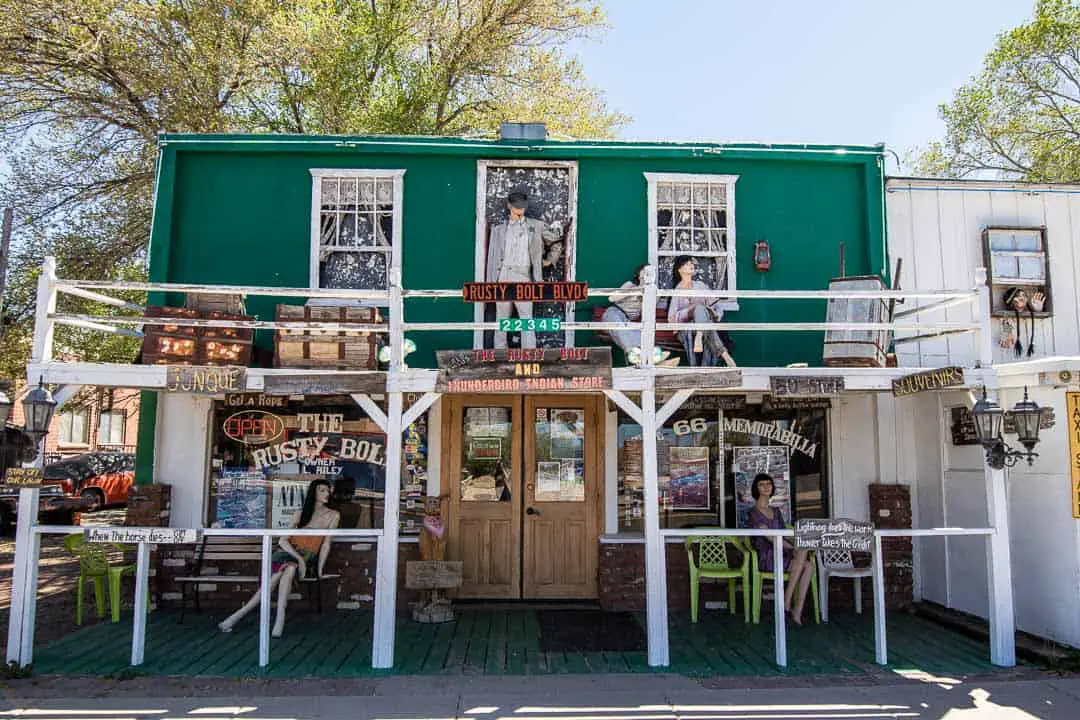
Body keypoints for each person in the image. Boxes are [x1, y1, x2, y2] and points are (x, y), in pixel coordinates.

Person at [218, 478, 340, 637]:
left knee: (285, 571)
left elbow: (326, 544)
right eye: (322, 490)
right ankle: (278, 621)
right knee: (288, 568)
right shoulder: (300, 513)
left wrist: (319, 570)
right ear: (313, 493)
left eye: (328, 491)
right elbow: (283, 541)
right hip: (287, 554)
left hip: (306, 556)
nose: (327, 494)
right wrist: (300, 560)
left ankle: (236, 617)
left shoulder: (333, 515)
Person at [486, 188, 560, 349]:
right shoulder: (498, 230)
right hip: (503, 275)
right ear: (509, 206)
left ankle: (529, 356)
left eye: (522, 206)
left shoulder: (536, 226)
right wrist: (490, 283)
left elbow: (556, 242)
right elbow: (492, 258)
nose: (520, 210)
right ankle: (500, 357)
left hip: (524, 275)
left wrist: (548, 261)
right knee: (501, 320)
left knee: (526, 320)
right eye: (516, 206)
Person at [748, 473, 814, 626]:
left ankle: (796, 609)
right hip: (767, 556)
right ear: (756, 489)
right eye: (761, 484)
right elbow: (770, 537)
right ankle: (786, 600)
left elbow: (784, 533)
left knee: (809, 565)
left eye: (768, 484)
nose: (766, 487)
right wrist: (793, 548)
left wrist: (797, 544)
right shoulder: (753, 512)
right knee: (802, 556)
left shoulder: (776, 511)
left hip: (784, 554)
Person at [602, 264, 678, 366]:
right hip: (614, 313)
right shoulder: (630, 285)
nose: (648, 272)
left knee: (640, 334)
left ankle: (644, 362)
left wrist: (645, 295)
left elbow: (646, 311)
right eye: (644, 270)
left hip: (628, 320)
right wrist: (635, 290)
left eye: (651, 271)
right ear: (639, 274)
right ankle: (652, 359)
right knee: (620, 328)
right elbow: (611, 298)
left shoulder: (653, 291)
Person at [667, 255, 736, 367]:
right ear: (679, 269)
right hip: (688, 328)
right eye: (687, 264)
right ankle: (725, 355)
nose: (691, 265)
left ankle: (700, 335)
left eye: (691, 263)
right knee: (700, 312)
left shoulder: (701, 286)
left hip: (705, 322)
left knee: (701, 311)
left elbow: (717, 305)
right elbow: (672, 318)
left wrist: (716, 314)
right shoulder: (677, 291)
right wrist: (690, 310)